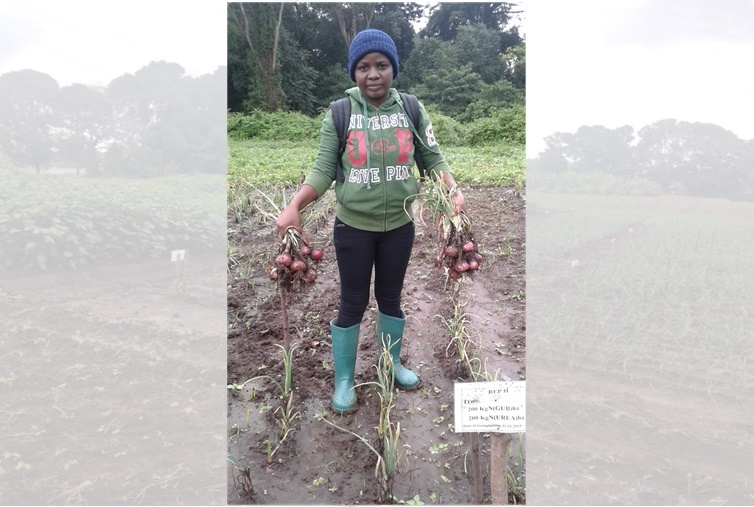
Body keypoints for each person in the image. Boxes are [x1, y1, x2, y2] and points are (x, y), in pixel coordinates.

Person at [275, 29, 466, 413]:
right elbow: (324, 169)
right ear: (354, 73)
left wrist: (452, 188)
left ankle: (391, 362)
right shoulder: (340, 113)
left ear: (393, 68)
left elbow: (432, 157)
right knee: (352, 301)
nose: (373, 74)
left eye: (381, 65)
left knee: (391, 298)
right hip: (353, 228)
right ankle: (344, 379)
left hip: (399, 225)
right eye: (363, 67)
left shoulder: (410, 108)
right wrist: (295, 204)